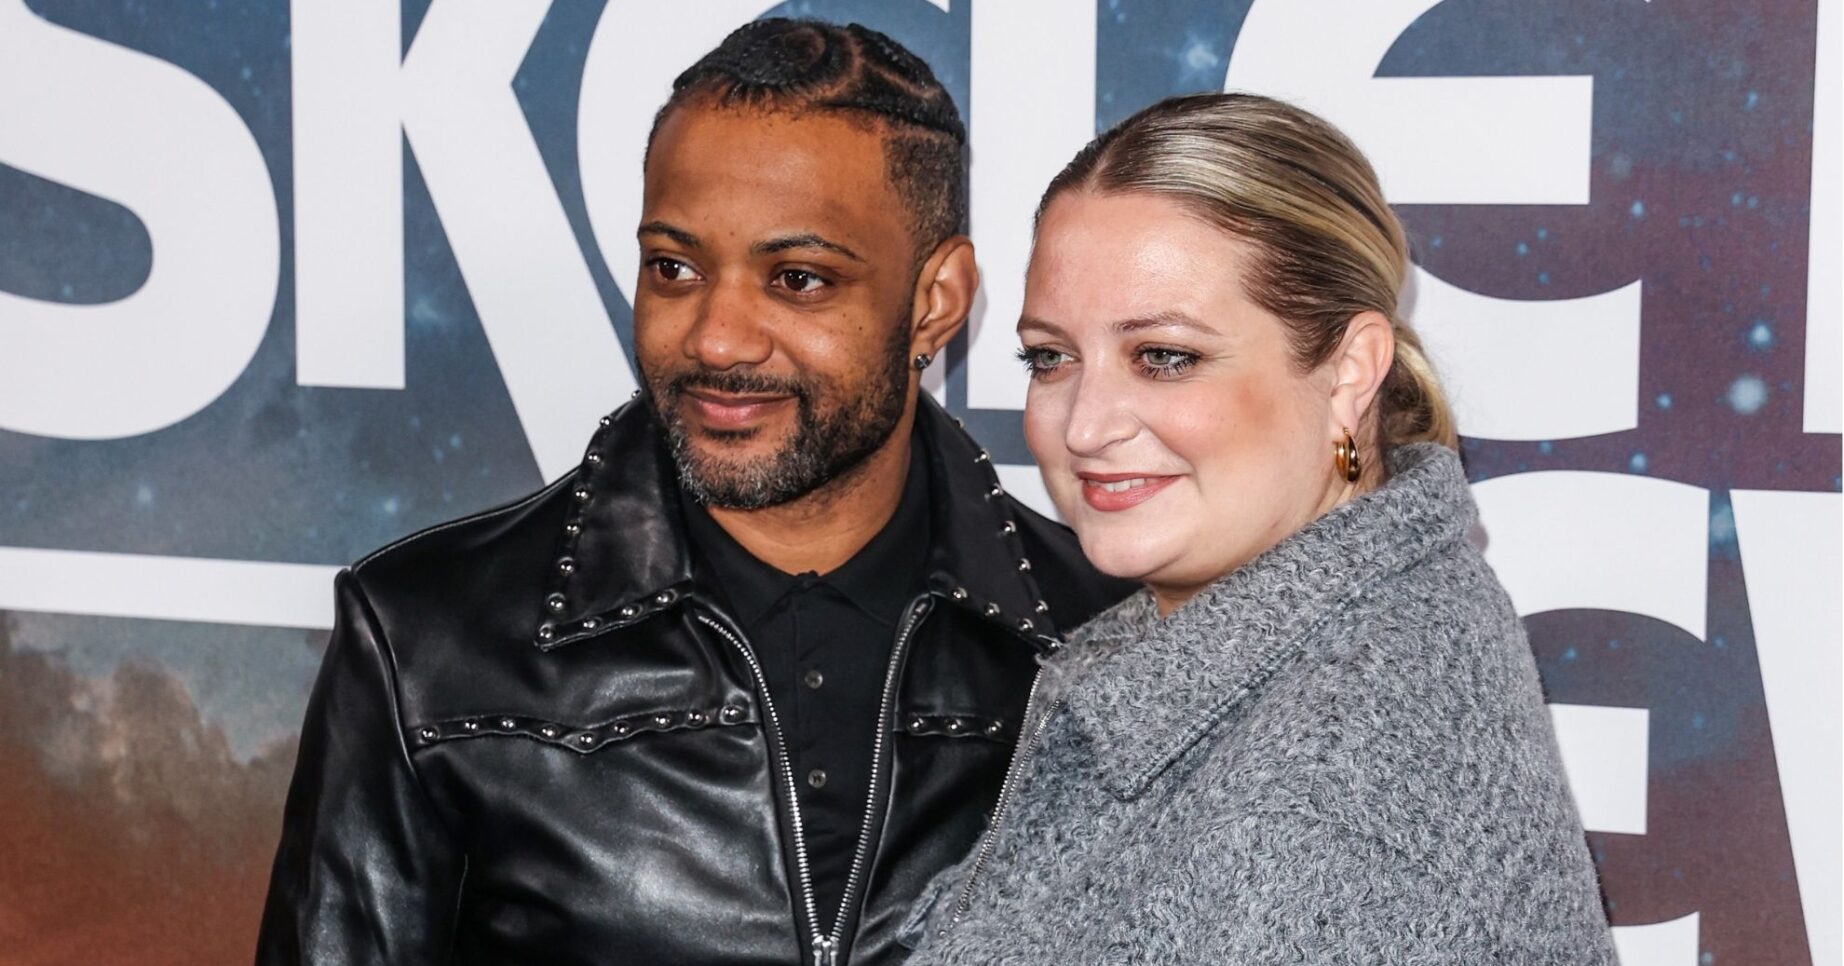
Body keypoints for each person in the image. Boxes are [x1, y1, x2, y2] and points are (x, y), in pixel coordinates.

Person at [256, 19, 1130, 966]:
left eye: (796, 279)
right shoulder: (427, 640)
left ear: (936, 300)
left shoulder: (1113, 634)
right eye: (673, 267)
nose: (716, 339)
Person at [902, 93, 1617, 964]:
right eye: (1051, 357)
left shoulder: (1328, 816)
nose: (1083, 426)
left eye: (1165, 358)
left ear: (1351, 372)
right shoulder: (1303, 624)